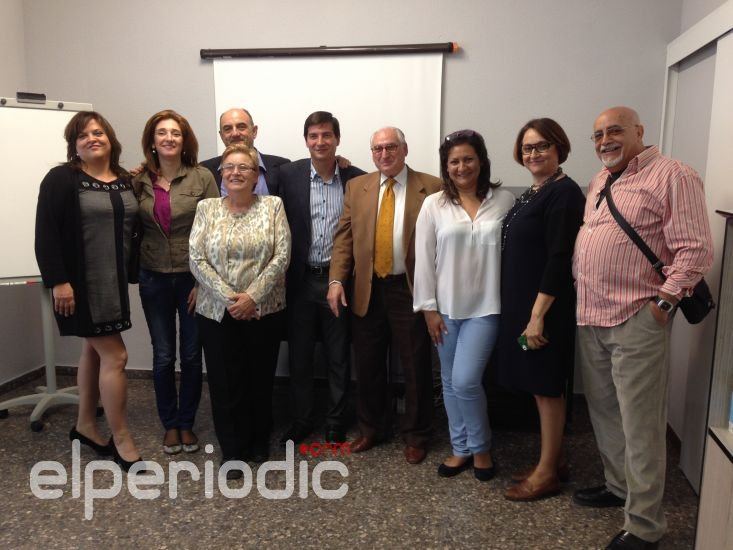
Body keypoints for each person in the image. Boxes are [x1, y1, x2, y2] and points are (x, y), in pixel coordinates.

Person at [572, 106, 713, 549]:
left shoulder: (674, 175)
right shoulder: (600, 180)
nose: (604, 141)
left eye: (614, 131)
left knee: (641, 425)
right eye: (598, 135)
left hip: (637, 316)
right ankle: (619, 488)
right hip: (591, 315)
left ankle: (645, 525)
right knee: (606, 413)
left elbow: (695, 250)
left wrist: (663, 304)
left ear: (639, 131)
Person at [35, 111, 143, 470]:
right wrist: (58, 281)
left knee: (93, 352)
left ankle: (84, 425)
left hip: (113, 283)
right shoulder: (62, 179)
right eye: (82, 135)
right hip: (79, 286)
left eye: (97, 132)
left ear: (109, 138)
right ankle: (122, 438)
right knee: (117, 357)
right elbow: (46, 233)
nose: (91, 139)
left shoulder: (124, 180)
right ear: (74, 145)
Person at [328, 127, 441, 464]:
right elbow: (344, 239)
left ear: (405, 149)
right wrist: (336, 280)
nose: (384, 154)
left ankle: (416, 434)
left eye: (391, 147)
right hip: (368, 288)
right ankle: (372, 428)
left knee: (415, 364)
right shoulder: (357, 187)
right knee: (368, 363)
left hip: (410, 288)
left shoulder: (432, 186)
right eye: (377, 149)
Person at [413, 130, 515, 480]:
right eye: (454, 161)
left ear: (481, 161)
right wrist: (428, 309)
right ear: (446, 166)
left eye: (468, 159)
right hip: (444, 309)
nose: (461, 167)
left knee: (466, 380)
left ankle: (481, 448)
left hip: (486, 308)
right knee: (449, 381)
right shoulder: (434, 205)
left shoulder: (504, 201)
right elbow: (424, 260)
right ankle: (460, 449)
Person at [495, 118, 585, 500]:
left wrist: (537, 316)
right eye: (528, 147)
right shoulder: (535, 192)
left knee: (547, 388)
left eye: (542, 146)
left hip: (545, 309)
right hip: (526, 305)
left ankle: (547, 473)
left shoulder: (564, 194)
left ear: (559, 148)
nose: (533, 153)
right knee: (539, 386)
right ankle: (555, 459)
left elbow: (559, 258)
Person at [190, 143, 290, 472]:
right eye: (229, 167)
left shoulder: (272, 206)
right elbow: (196, 259)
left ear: (256, 175)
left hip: (264, 310)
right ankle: (232, 450)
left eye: (244, 167)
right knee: (224, 382)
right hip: (216, 312)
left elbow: (282, 256)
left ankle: (259, 440)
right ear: (221, 174)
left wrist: (251, 297)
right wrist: (230, 299)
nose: (235, 172)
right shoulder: (207, 209)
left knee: (259, 378)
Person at [132, 109, 218, 456]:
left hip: (192, 278)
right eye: (162, 133)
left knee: (192, 355)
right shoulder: (138, 180)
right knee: (164, 355)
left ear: (185, 141)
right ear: (152, 141)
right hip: (153, 277)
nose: (169, 138)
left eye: (176, 133)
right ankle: (169, 423)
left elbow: (214, 231)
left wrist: (204, 281)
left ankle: (187, 422)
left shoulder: (202, 177)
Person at [277, 111, 365, 445]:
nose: (320, 142)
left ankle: (335, 421)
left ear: (337, 139)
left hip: (338, 281)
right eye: (313, 136)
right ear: (305, 140)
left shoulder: (355, 178)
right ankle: (302, 419)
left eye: (327, 135)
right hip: (299, 280)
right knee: (299, 356)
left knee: (338, 354)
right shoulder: (288, 175)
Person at [199, 107, 289, 195]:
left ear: (254, 131)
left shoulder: (282, 167)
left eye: (241, 127)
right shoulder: (205, 170)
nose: (235, 133)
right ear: (221, 135)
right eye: (228, 129)